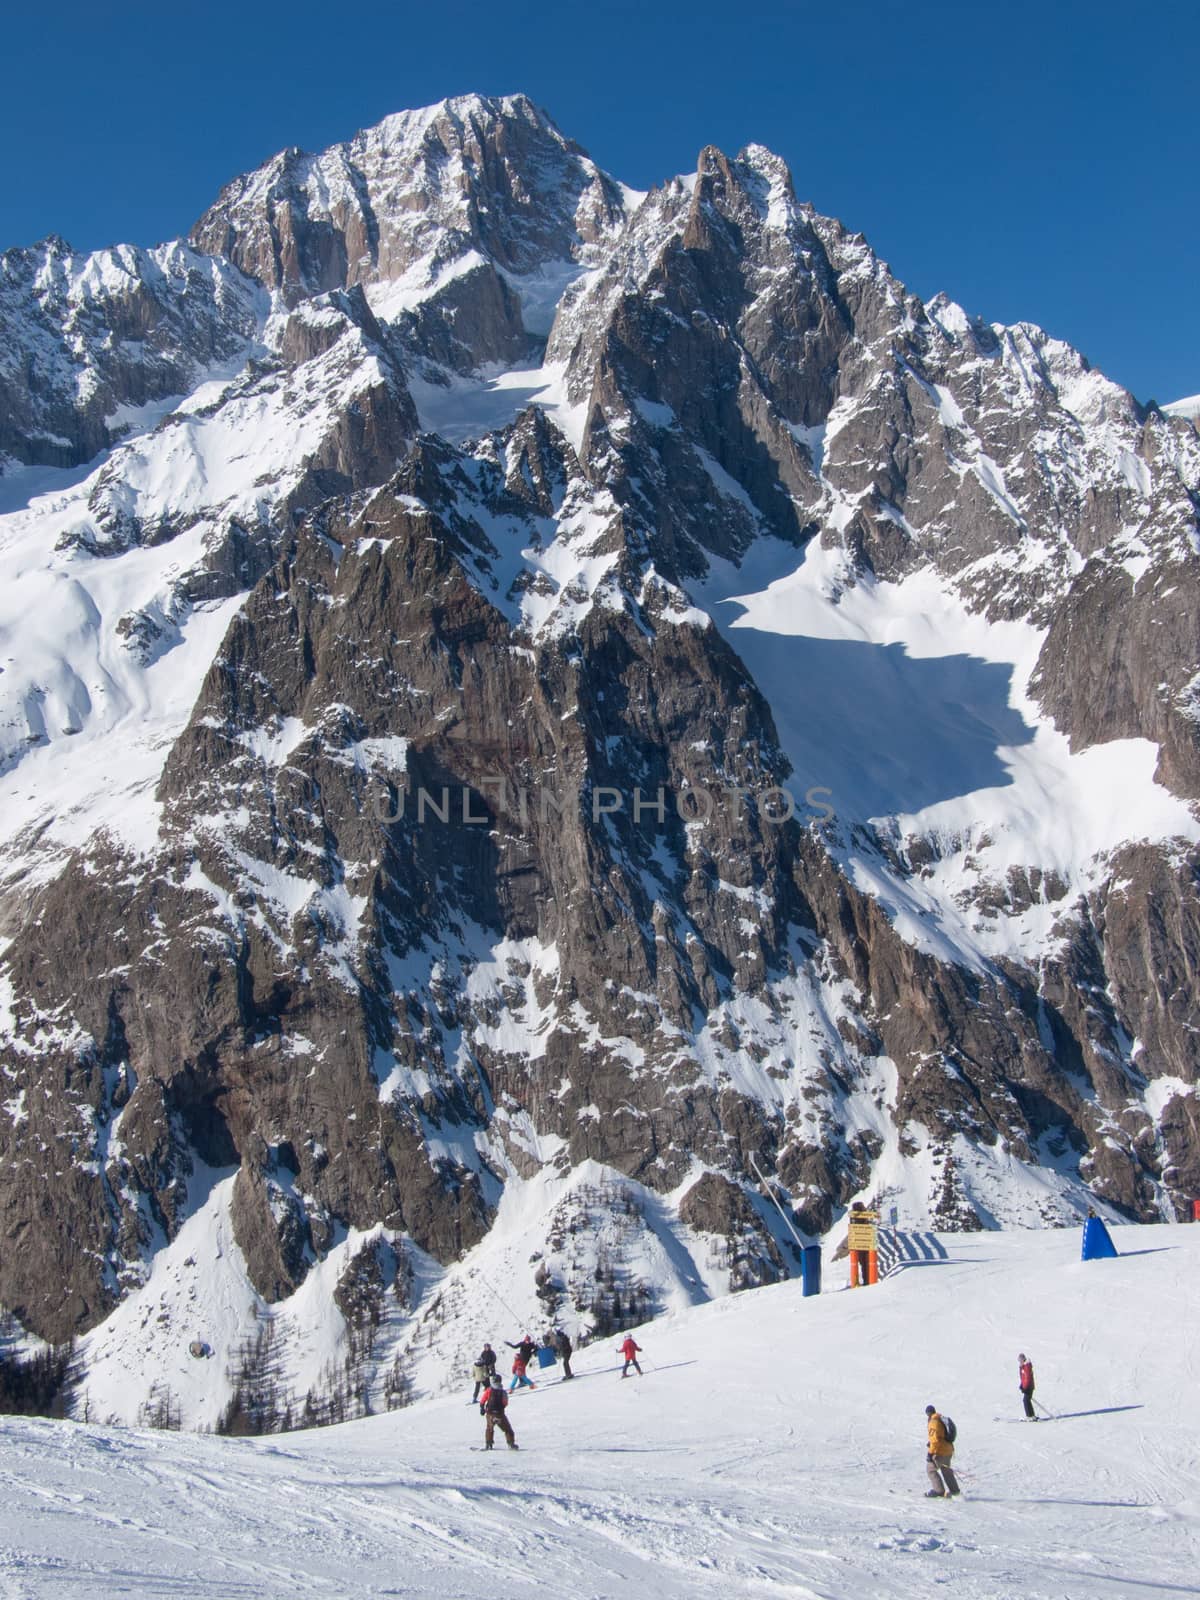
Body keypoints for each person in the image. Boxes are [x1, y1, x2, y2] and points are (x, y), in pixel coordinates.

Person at [925, 1405, 960, 1497]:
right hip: (948, 1449)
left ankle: (939, 1491)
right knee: (946, 1470)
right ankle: (955, 1491)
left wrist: (930, 1453)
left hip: (940, 1451)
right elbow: (940, 1436)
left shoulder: (933, 1422)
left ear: (928, 1413)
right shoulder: (940, 1418)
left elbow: (935, 1440)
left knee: (930, 1469)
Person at [479, 1376, 518, 1450]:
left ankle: (488, 1444)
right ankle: (511, 1444)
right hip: (500, 1414)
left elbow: (483, 1400)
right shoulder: (503, 1392)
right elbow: (505, 1403)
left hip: (490, 1414)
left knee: (489, 1428)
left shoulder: (489, 1390)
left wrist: (482, 1408)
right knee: (507, 1429)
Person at [1018, 1353, 1036, 1420]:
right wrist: (1022, 1385)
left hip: (1029, 1387)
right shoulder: (1023, 1367)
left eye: (1020, 1360)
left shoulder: (1026, 1367)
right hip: (1027, 1386)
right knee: (1027, 1400)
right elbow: (1023, 1378)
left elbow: (1028, 1378)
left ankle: (1030, 1416)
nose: (1020, 1362)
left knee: (1026, 1400)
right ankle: (1032, 1416)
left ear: (1023, 1360)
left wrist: (1025, 1387)